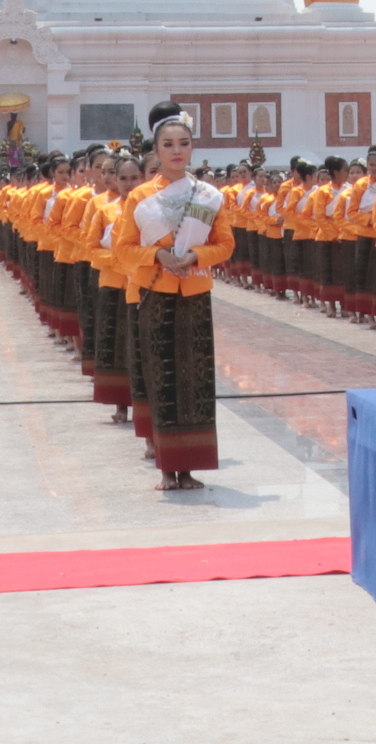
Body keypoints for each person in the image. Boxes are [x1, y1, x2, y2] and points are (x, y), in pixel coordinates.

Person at [124, 103, 233, 489]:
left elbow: (225, 245)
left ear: (191, 148)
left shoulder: (208, 195)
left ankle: (188, 468)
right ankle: (167, 468)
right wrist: (157, 255)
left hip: (195, 293)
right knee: (162, 375)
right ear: (156, 149)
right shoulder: (139, 197)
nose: (176, 151)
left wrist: (195, 255)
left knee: (195, 377)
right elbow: (124, 249)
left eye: (183, 144)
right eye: (168, 144)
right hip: (155, 293)